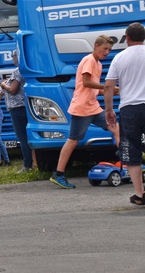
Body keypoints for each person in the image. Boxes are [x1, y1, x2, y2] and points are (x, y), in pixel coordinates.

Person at [50, 35, 120, 189]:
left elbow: (94, 89)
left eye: (109, 50)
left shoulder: (98, 64)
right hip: (82, 108)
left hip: (93, 106)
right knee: (73, 140)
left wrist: (111, 92)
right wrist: (107, 88)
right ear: (96, 45)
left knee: (116, 128)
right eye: (105, 49)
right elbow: (87, 82)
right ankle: (58, 174)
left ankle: (126, 162)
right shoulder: (88, 60)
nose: (107, 52)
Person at [104, 22, 145, 205]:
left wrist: (109, 110)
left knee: (132, 150)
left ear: (127, 37)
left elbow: (108, 86)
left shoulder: (119, 58)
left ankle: (140, 194)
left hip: (129, 109)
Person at [0, 50, 33, 173]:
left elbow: (13, 89)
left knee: (22, 137)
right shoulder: (26, 70)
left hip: (17, 108)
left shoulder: (18, 71)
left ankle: (27, 165)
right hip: (24, 106)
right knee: (28, 136)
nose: (12, 59)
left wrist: (4, 86)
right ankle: (32, 162)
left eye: (13, 56)